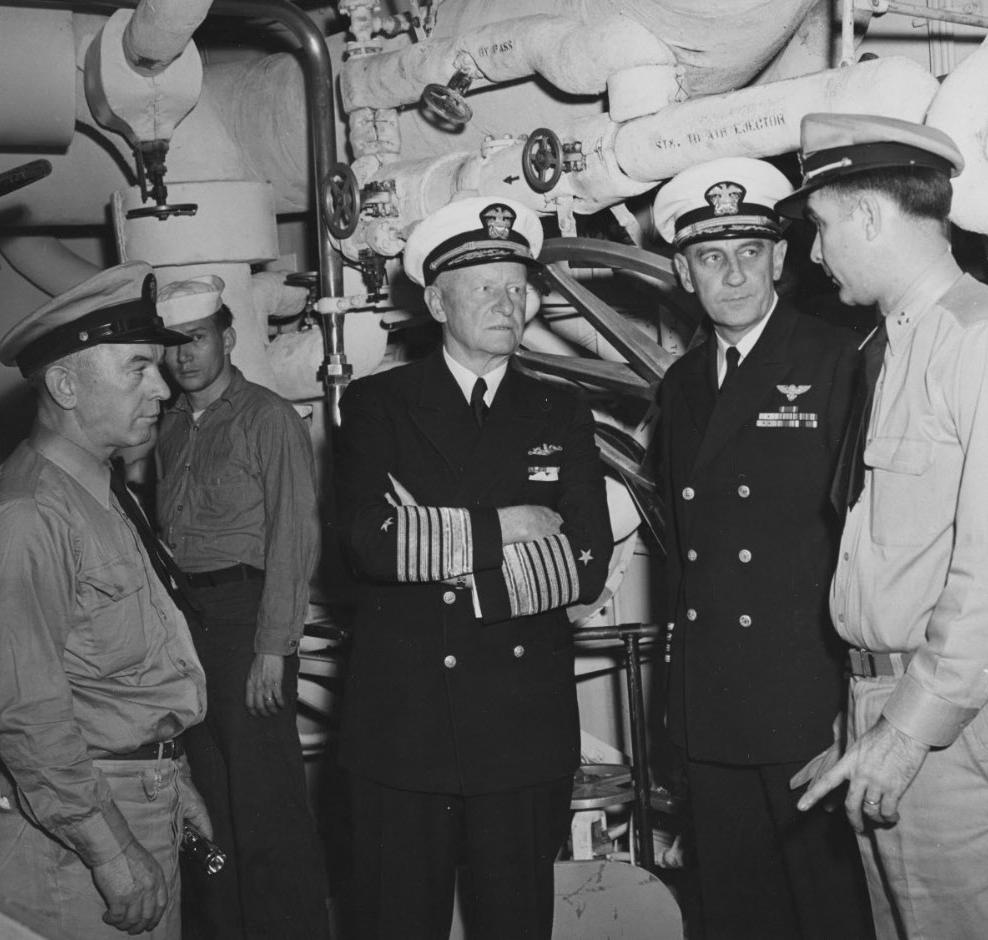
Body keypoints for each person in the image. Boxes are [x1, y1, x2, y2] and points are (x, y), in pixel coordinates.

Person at [781, 113, 988, 939]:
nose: (814, 253)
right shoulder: (891, 344)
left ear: (872, 217)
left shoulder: (980, 340)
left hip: (964, 727)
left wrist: (906, 730)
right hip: (903, 702)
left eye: (822, 227)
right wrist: (869, 719)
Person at [334, 196, 614, 940]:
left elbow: (583, 566)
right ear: (434, 300)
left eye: (516, 285)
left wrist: (438, 537)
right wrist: (505, 528)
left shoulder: (561, 411)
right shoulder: (376, 406)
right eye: (484, 284)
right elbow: (368, 543)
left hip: (519, 733)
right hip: (404, 731)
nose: (506, 301)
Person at [0, 261, 211, 938]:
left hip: (129, 800)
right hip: (72, 842)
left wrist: (170, 776)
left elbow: (118, 671)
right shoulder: (27, 517)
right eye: (137, 367)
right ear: (67, 385)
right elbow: (26, 718)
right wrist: (113, 850)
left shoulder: (95, 487)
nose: (162, 384)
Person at [652, 156, 871, 938]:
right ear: (684, 272)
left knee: (825, 912)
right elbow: (684, 558)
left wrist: (858, 703)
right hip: (711, 703)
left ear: (780, 257)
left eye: (749, 252)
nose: (733, 274)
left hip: (809, 702)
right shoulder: (678, 388)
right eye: (711, 257)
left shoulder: (837, 357)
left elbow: (865, 541)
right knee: (736, 915)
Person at [154, 275, 330, 940]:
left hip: (247, 618)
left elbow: (293, 534)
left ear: (226, 337)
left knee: (267, 807)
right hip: (188, 626)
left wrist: (272, 648)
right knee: (207, 802)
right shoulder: (168, 424)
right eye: (171, 345)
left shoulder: (268, 418)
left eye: (195, 339)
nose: (182, 357)